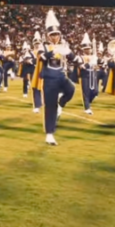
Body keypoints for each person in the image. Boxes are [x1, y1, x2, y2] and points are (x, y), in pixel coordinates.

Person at [32, 10, 78, 145]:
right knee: (49, 107)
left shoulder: (64, 45)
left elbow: (74, 58)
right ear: (48, 36)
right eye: (52, 35)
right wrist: (55, 50)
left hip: (62, 77)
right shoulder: (43, 45)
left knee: (71, 89)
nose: (55, 37)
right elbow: (41, 57)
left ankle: (61, 104)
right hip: (49, 79)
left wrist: (70, 53)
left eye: (57, 34)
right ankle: (49, 134)